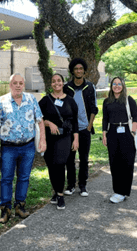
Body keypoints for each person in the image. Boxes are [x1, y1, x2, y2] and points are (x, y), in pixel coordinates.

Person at [0, 73, 47, 224]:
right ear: (10, 85)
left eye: (21, 83)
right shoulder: (1, 102)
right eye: (15, 83)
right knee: (6, 178)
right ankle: (5, 209)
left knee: (24, 177)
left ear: (24, 85)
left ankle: (20, 206)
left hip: (27, 147)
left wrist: (43, 141)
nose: (18, 85)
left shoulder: (31, 100)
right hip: (8, 148)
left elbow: (40, 121)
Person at [39, 73, 79, 210]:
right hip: (49, 138)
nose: (57, 83)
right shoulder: (45, 101)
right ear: (51, 84)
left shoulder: (70, 101)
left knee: (60, 163)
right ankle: (56, 191)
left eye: (59, 81)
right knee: (51, 165)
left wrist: (76, 139)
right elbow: (37, 119)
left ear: (63, 83)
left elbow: (75, 123)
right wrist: (49, 123)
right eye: (54, 81)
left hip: (65, 137)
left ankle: (60, 195)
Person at [64, 58, 98, 197]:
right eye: (76, 69)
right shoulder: (67, 88)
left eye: (80, 69)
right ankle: (71, 185)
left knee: (84, 158)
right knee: (70, 159)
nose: (78, 71)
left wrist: (89, 126)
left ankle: (83, 185)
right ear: (72, 71)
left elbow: (94, 108)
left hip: (85, 129)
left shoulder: (90, 87)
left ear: (84, 71)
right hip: (70, 129)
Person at [102, 77, 137, 204]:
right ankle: (117, 191)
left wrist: (133, 132)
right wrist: (104, 134)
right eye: (114, 84)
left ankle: (124, 191)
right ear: (111, 86)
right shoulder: (107, 101)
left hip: (127, 133)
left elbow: (135, 118)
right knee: (114, 163)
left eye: (119, 84)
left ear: (123, 86)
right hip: (112, 133)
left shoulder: (129, 100)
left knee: (127, 163)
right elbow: (105, 119)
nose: (116, 86)